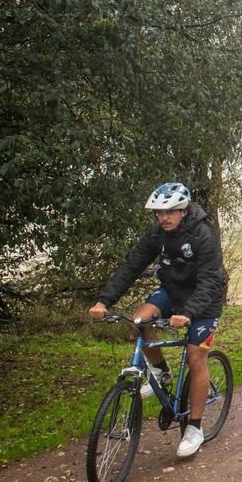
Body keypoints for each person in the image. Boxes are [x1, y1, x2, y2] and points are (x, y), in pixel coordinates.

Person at [88, 182, 227, 458]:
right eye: (159, 212)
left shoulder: (203, 235)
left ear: (184, 210)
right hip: (172, 293)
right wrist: (104, 301)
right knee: (140, 320)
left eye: (171, 212)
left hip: (205, 301)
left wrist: (188, 313)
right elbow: (132, 266)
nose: (164, 218)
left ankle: (194, 428)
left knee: (196, 355)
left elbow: (211, 279)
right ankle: (161, 371)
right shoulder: (157, 234)